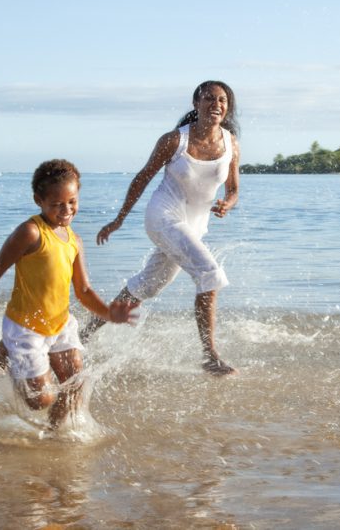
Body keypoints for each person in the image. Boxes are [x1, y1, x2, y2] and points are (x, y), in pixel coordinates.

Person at [0, 159, 139, 428]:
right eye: (56, 204)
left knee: (75, 384)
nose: (66, 210)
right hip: (26, 328)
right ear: (38, 200)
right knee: (41, 400)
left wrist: (108, 312)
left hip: (60, 325)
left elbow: (84, 290)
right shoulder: (30, 232)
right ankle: (9, 348)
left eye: (72, 201)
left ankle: (54, 435)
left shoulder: (74, 240)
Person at [83, 81, 241, 376]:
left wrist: (227, 204)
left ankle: (84, 334)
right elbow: (142, 178)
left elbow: (233, 189)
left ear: (227, 108)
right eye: (209, 98)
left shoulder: (231, 143)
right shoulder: (174, 140)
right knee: (210, 273)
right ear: (196, 103)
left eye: (222, 100)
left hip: (194, 227)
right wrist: (119, 219)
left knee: (147, 285)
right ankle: (210, 356)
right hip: (163, 216)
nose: (216, 104)